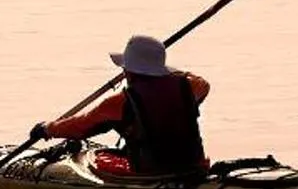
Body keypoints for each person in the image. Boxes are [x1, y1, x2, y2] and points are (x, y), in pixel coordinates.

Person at [32, 34, 211, 180]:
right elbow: (200, 83)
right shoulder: (191, 87)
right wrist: (167, 71)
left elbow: (80, 127)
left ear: (128, 70)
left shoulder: (120, 102)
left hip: (152, 174)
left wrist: (47, 128)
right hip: (194, 167)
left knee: (98, 159)